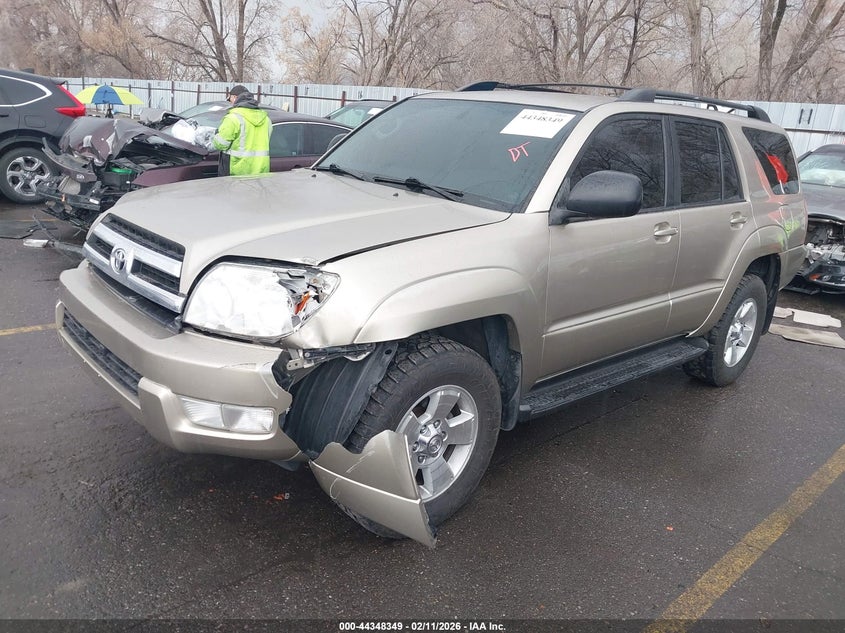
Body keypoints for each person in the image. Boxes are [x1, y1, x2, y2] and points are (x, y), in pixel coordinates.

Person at [211, 85, 270, 176]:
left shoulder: (233, 118)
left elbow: (221, 144)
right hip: (261, 172)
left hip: (236, 172)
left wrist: (214, 136)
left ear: (235, 98)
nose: (230, 103)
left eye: (230, 99)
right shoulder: (266, 120)